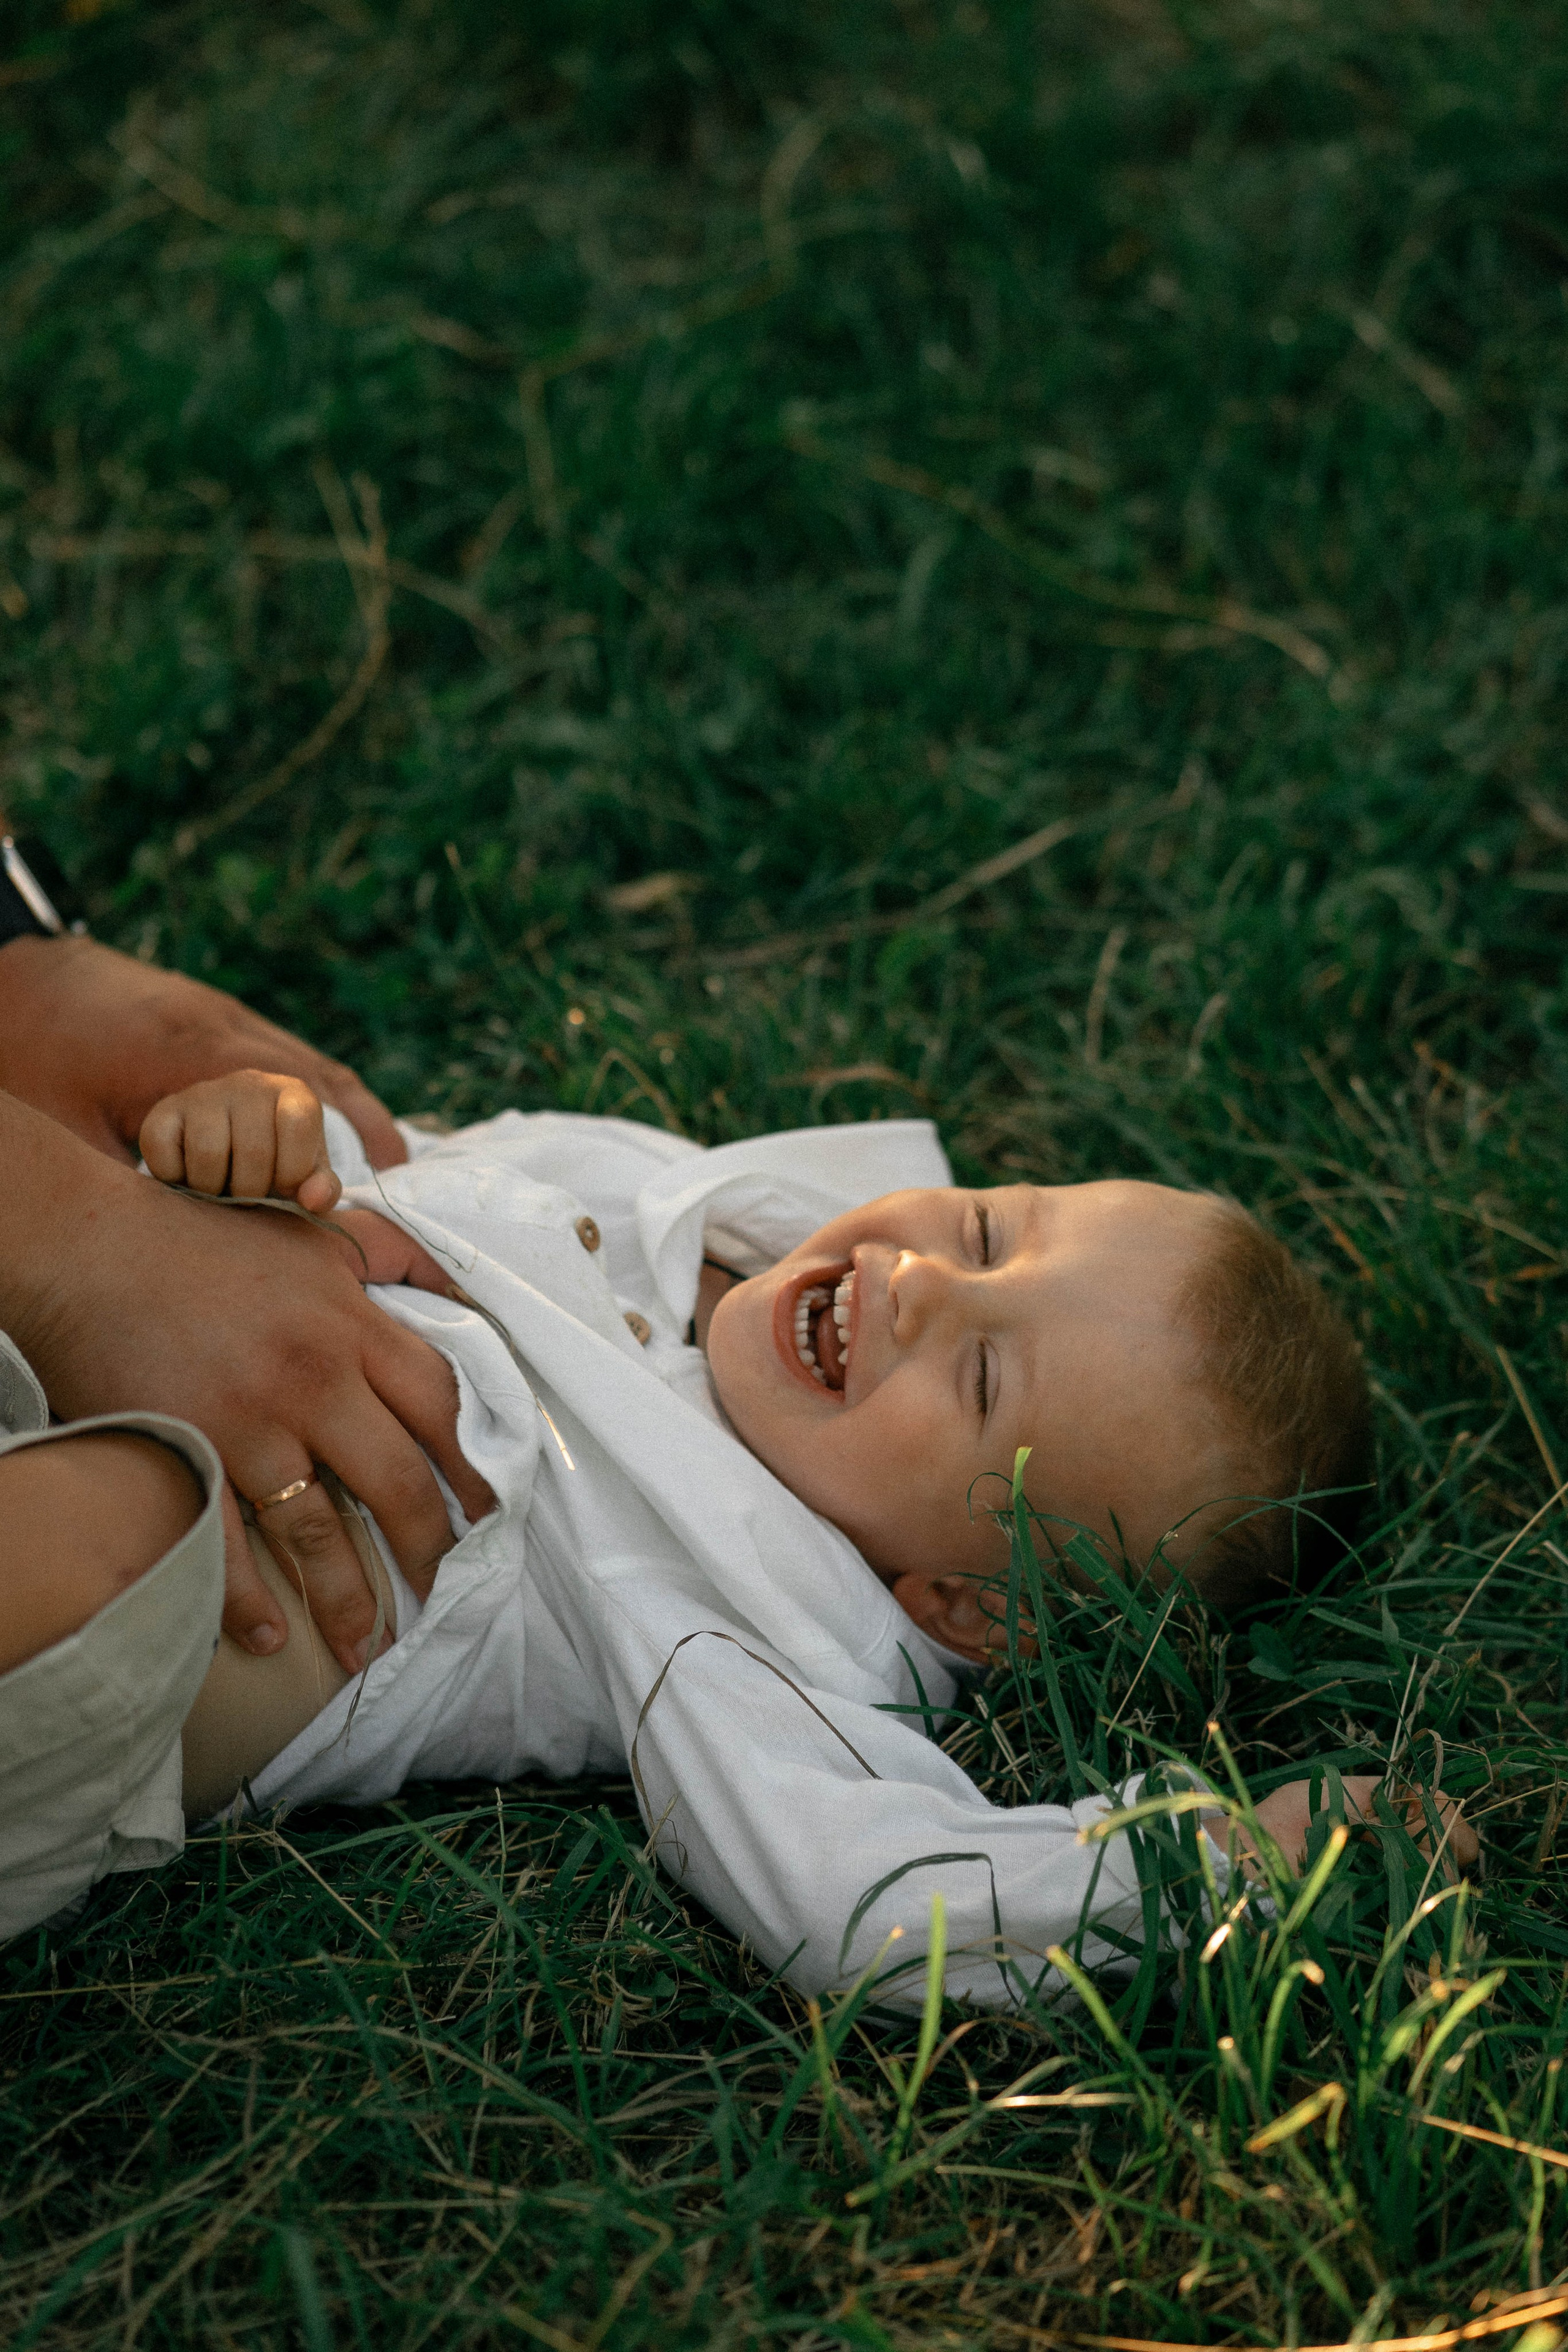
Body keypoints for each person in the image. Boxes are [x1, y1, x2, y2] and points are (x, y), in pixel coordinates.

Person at [4, 1052, 1474, 2000]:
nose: (919, 1286)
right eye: (985, 1234)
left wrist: (1219, 1866)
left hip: (178, 1614)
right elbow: (397, 1153)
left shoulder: (757, 1618)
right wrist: (262, 1131)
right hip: (120, 1326)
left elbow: (869, 1895)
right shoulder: (686, 1200)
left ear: (970, 1607)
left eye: (976, 1380)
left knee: (96, 1543)